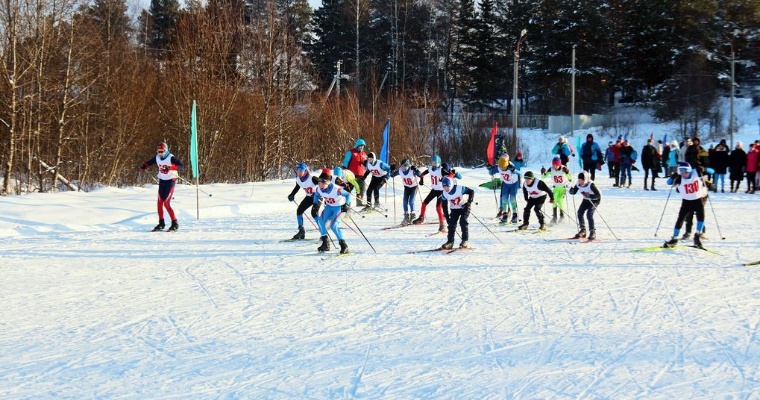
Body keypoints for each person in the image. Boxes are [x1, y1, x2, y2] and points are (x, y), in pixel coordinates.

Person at [663, 162, 711, 248]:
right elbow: (668, 182)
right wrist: (672, 177)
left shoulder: (696, 172)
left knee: (701, 217)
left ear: (689, 171)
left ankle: (697, 236)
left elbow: (712, 171)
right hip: (686, 202)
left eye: (685, 172)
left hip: (698, 200)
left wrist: (704, 169)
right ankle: (674, 238)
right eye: (681, 172)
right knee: (680, 219)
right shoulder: (680, 178)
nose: (684, 174)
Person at [140, 141, 184, 232]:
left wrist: (171, 167)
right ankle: (161, 223)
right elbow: (150, 162)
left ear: (166, 150)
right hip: (162, 181)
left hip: (170, 181)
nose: (160, 153)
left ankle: (175, 223)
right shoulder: (157, 157)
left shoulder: (171, 158)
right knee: (159, 203)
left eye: (162, 151)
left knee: (166, 203)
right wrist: (144, 166)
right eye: (158, 151)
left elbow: (181, 166)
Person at [413, 155, 461, 233]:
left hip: (441, 190)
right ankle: (421, 218)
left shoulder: (441, 170)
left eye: (435, 162)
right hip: (434, 190)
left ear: (438, 163)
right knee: (424, 203)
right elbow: (422, 174)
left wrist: (447, 177)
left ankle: (442, 225)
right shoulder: (430, 169)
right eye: (432, 162)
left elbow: (451, 175)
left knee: (438, 207)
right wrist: (421, 179)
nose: (433, 164)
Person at [313, 172, 351, 253]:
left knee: (333, 226)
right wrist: (315, 204)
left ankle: (343, 245)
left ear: (328, 183)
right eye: (319, 183)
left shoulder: (336, 189)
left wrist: (346, 204)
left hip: (339, 207)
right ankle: (325, 243)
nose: (320, 185)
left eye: (322, 183)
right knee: (320, 221)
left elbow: (348, 195)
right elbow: (316, 195)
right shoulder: (319, 189)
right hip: (329, 207)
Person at [286, 162, 321, 240]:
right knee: (299, 211)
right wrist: (292, 194)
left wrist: (320, 194)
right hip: (309, 197)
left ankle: (324, 233)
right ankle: (301, 231)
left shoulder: (312, 178)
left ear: (305, 171)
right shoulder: (298, 179)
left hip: (317, 197)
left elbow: (322, 184)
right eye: (298, 171)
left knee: (314, 213)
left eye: (301, 171)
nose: (299, 173)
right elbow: (297, 187)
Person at [439, 177, 475, 250]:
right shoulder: (444, 193)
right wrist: (447, 216)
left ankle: (465, 240)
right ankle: (450, 242)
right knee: (451, 225)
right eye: (444, 187)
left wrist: (469, 202)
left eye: (448, 187)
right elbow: (444, 206)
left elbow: (471, 191)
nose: (446, 189)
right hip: (454, 209)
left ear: (451, 185)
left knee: (463, 222)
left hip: (464, 208)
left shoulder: (460, 189)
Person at [488, 154, 521, 224]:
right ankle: (505, 215)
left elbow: (520, 173)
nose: (502, 169)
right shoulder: (499, 166)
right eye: (501, 168)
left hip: (514, 184)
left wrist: (514, 170)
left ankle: (515, 214)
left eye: (503, 168)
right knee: (504, 199)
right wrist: (489, 168)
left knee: (512, 199)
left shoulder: (510, 166)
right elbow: (491, 173)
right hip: (505, 184)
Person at [568, 171, 601, 240]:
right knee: (580, 213)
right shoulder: (578, 184)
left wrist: (590, 196)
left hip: (595, 200)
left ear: (585, 179)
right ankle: (583, 230)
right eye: (579, 180)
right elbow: (574, 192)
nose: (579, 181)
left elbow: (598, 195)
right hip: (586, 200)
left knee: (589, 214)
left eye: (581, 180)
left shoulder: (591, 184)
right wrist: (571, 191)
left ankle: (592, 232)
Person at [540, 156, 572, 224]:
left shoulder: (563, 168)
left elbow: (570, 179)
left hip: (563, 188)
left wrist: (567, 172)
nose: (555, 166)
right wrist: (542, 172)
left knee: (560, 200)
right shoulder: (551, 169)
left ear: (559, 164)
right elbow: (543, 177)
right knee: (554, 200)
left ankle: (562, 216)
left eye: (557, 165)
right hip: (556, 188)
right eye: (554, 165)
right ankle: (554, 217)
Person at [390, 159, 420, 225]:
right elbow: (392, 175)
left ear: (408, 166)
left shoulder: (411, 170)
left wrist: (416, 170)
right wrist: (391, 169)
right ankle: (406, 216)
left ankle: (413, 215)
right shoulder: (400, 171)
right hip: (406, 188)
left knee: (411, 201)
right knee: (405, 201)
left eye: (404, 166)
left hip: (414, 187)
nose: (403, 168)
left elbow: (419, 174)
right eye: (402, 166)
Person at [341, 138, 368, 205]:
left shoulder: (364, 154)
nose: (361, 147)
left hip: (361, 175)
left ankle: (359, 202)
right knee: (348, 189)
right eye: (360, 146)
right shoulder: (351, 152)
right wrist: (344, 168)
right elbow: (346, 161)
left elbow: (366, 163)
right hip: (351, 175)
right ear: (357, 146)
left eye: (363, 146)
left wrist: (366, 163)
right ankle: (346, 202)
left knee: (361, 188)